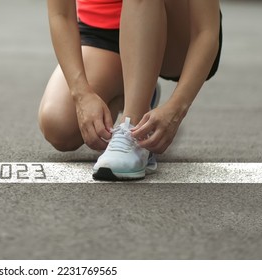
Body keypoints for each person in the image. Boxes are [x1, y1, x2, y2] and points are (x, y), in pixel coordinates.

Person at [38, 0, 222, 180]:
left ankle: (133, 123)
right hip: (104, 30)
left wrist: (176, 108)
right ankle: (136, 91)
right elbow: (60, 15)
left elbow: (205, 31)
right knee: (58, 126)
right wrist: (82, 95)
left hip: (177, 33)